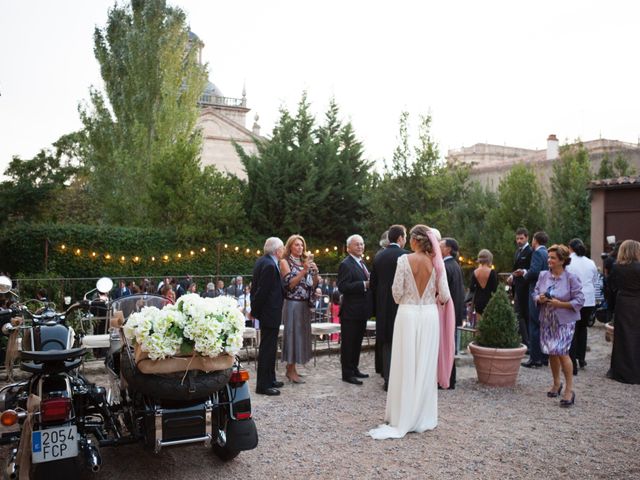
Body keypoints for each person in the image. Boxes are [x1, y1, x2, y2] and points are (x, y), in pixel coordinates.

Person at [369, 225, 454, 439]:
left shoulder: (403, 260)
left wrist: (410, 298)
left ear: (415, 241)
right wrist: (430, 298)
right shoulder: (436, 264)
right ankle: (422, 416)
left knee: (405, 363)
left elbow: (396, 294)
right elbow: (444, 295)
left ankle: (402, 415)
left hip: (407, 314)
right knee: (424, 364)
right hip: (428, 316)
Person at [533, 244, 584, 407]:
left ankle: (569, 390)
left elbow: (580, 300)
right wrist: (538, 298)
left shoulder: (571, 278)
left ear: (562, 260)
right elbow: (534, 292)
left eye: (553, 258)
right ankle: (556, 383)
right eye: (548, 257)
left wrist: (561, 304)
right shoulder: (543, 275)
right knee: (551, 352)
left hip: (564, 321)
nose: (549, 260)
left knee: (562, 352)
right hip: (547, 320)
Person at [370, 224, 407, 391]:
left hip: (383, 304)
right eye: (405, 237)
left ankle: (387, 378)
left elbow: (373, 284)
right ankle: (402, 378)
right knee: (402, 341)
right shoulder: (406, 256)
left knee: (386, 341)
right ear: (400, 238)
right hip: (402, 303)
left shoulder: (379, 257)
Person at [280, 235, 319, 384]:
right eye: (296, 245)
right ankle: (290, 370)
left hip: (304, 304)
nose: (300, 248)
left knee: (301, 336)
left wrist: (315, 273)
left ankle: (294, 368)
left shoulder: (305, 262)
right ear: (290, 246)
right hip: (292, 304)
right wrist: (303, 271)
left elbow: (313, 284)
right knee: (292, 335)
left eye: (302, 245)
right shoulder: (284, 262)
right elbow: (290, 284)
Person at [251, 237, 286, 396]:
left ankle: (270, 379)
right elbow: (261, 292)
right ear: (277, 250)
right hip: (269, 313)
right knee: (267, 349)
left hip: (269, 312)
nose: (284, 250)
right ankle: (263, 385)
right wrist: (256, 311)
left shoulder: (263, 261)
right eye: (283, 248)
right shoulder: (270, 265)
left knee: (271, 348)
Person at [337, 234, 372, 385]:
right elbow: (343, 287)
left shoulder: (362, 263)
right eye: (357, 244)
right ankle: (347, 373)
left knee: (357, 342)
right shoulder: (346, 264)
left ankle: (355, 368)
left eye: (362, 244)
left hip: (361, 310)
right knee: (348, 343)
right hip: (350, 311)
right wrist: (364, 285)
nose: (360, 246)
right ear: (349, 247)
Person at [608, 239, 640, 384]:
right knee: (636, 336)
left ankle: (620, 370)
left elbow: (611, 286)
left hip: (622, 303)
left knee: (622, 337)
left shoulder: (616, 267)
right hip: (637, 303)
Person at [566, 238, 599, 375]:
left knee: (573, 330)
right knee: (583, 329)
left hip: (574, 299)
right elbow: (595, 280)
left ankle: (572, 362)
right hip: (589, 299)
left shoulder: (568, 262)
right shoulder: (591, 262)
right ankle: (582, 358)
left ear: (570, 248)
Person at [440, 237, 465, 389]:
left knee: (446, 346)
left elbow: (443, 293)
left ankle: (447, 379)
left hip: (447, 312)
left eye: (441, 245)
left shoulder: (445, 267)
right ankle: (450, 378)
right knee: (450, 346)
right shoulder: (455, 265)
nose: (438, 247)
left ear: (448, 249)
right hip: (454, 311)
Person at [522, 231, 550, 368]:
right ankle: (545, 357)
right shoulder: (547, 253)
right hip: (546, 292)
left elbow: (535, 272)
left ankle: (535, 358)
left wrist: (524, 274)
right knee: (543, 325)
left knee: (534, 324)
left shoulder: (538, 253)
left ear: (535, 240)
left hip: (536, 291)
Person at [508, 228, 533, 347]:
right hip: (517, 287)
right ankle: (525, 340)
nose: (519, 241)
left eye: (521, 238)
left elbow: (532, 270)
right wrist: (512, 276)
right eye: (517, 238)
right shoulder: (517, 251)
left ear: (527, 237)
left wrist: (523, 271)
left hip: (526, 287)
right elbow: (515, 268)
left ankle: (527, 341)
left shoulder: (530, 251)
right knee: (519, 313)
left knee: (522, 314)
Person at [469, 249, 498, 319]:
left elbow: (471, 287)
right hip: (490, 301)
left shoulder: (475, 272)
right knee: (489, 324)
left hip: (478, 301)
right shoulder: (492, 272)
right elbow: (495, 288)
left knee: (479, 325)